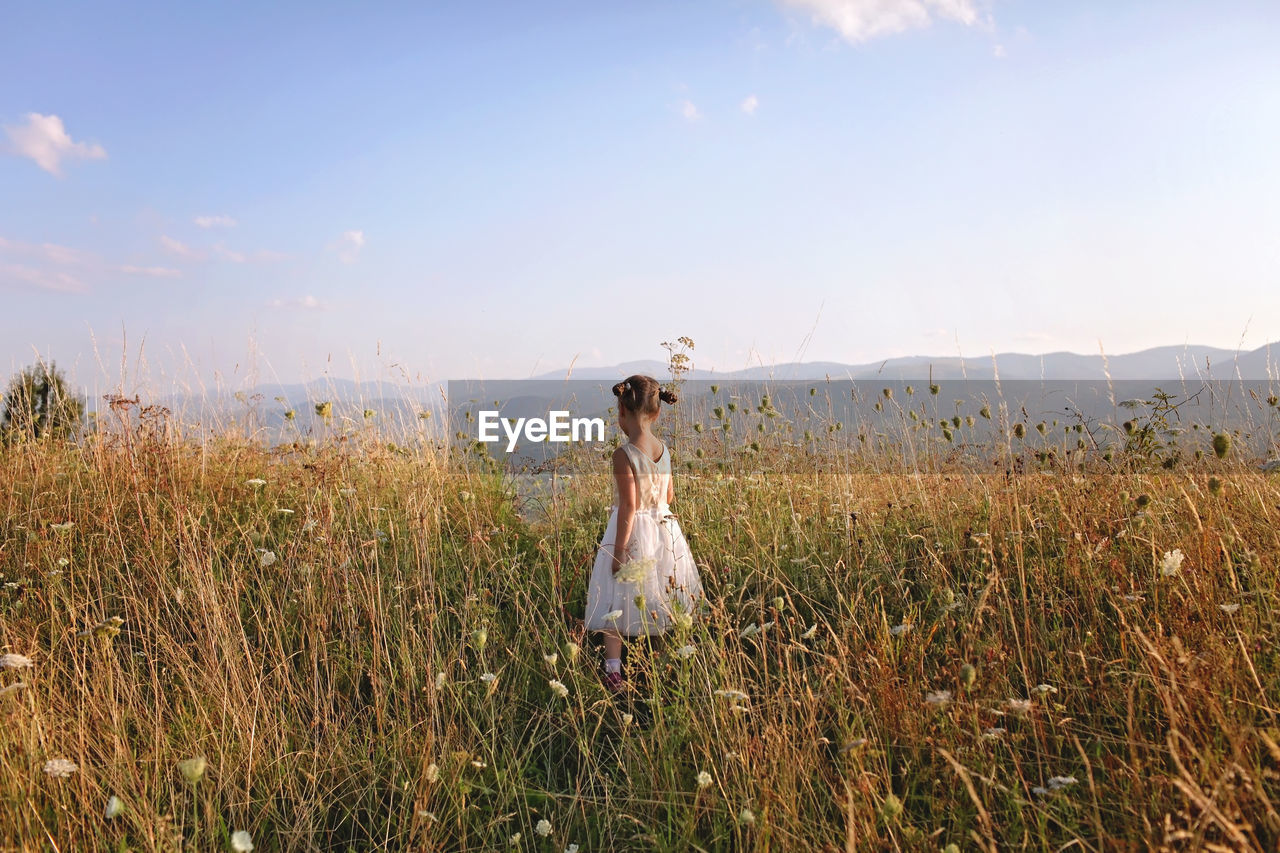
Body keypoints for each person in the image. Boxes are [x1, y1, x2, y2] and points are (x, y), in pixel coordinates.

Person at [583, 375, 704, 692]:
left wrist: (619, 551)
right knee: (659, 598)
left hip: (634, 531)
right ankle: (660, 671)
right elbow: (670, 497)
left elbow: (628, 506)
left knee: (614, 599)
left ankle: (613, 672)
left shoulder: (623, 455)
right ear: (658, 412)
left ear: (621, 411)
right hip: (665, 531)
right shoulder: (665, 451)